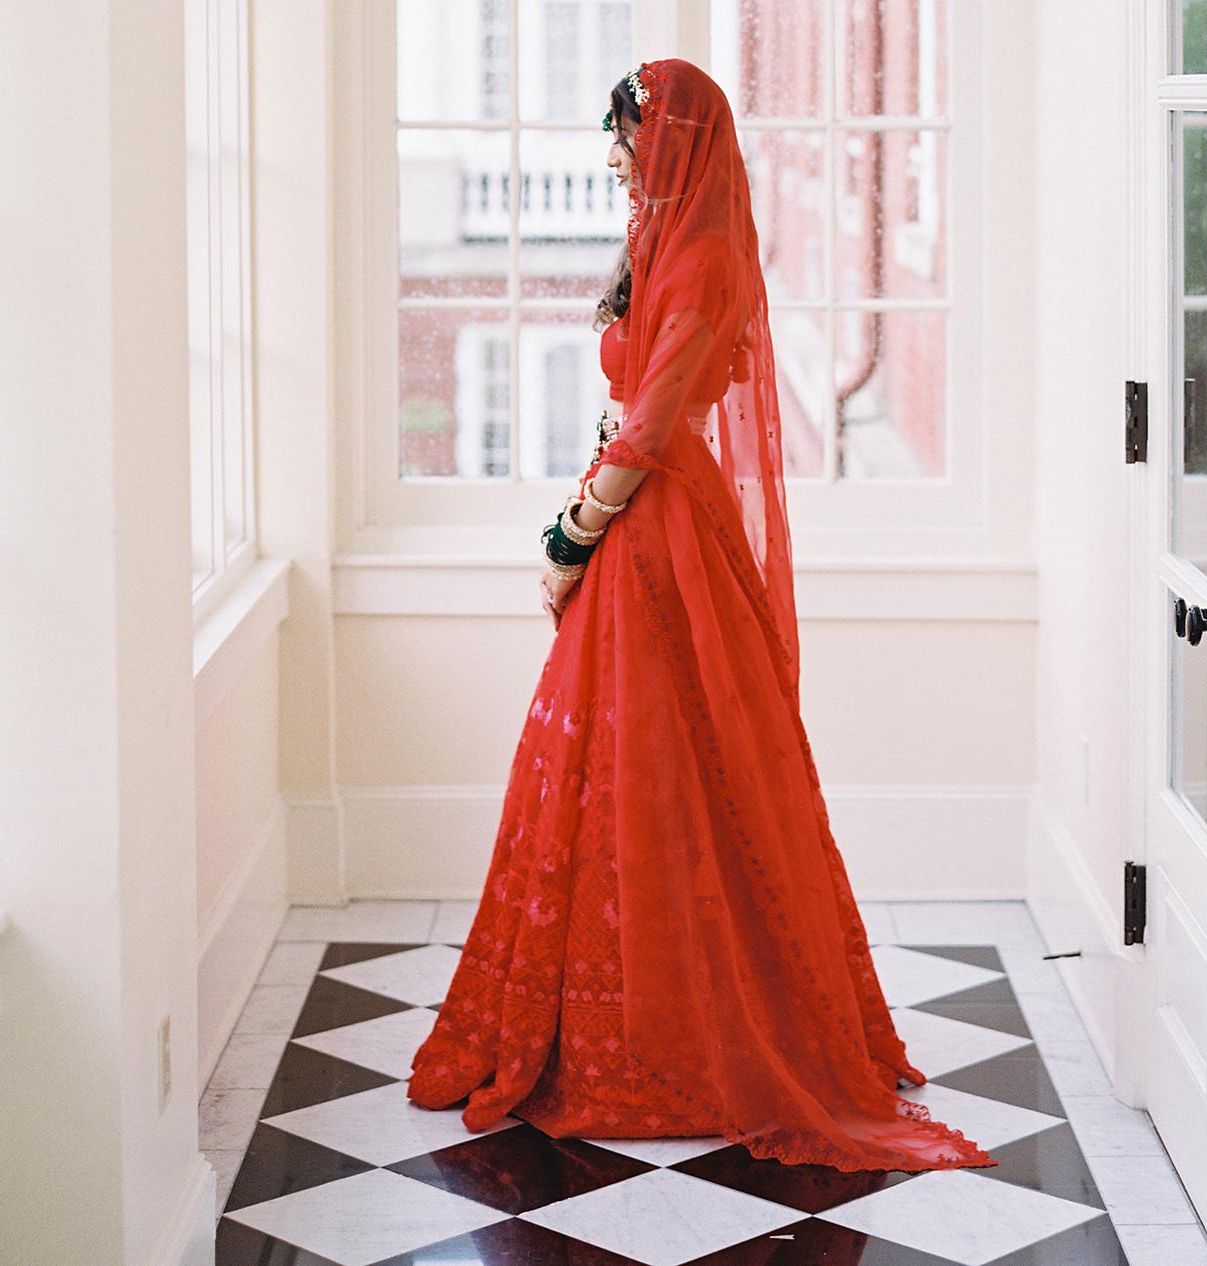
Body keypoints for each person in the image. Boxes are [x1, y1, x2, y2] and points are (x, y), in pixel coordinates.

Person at [406, 58, 993, 1173]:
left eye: (632, 134)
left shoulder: (708, 255)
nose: (618, 154)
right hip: (641, 524)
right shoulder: (658, 241)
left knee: (683, 769)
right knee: (619, 774)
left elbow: (659, 418)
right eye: (618, 135)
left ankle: (688, 1030)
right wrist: (585, 523)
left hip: (660, 536)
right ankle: (610, 1012)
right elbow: (636, 411)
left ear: (677, 141)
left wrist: (571, 534)